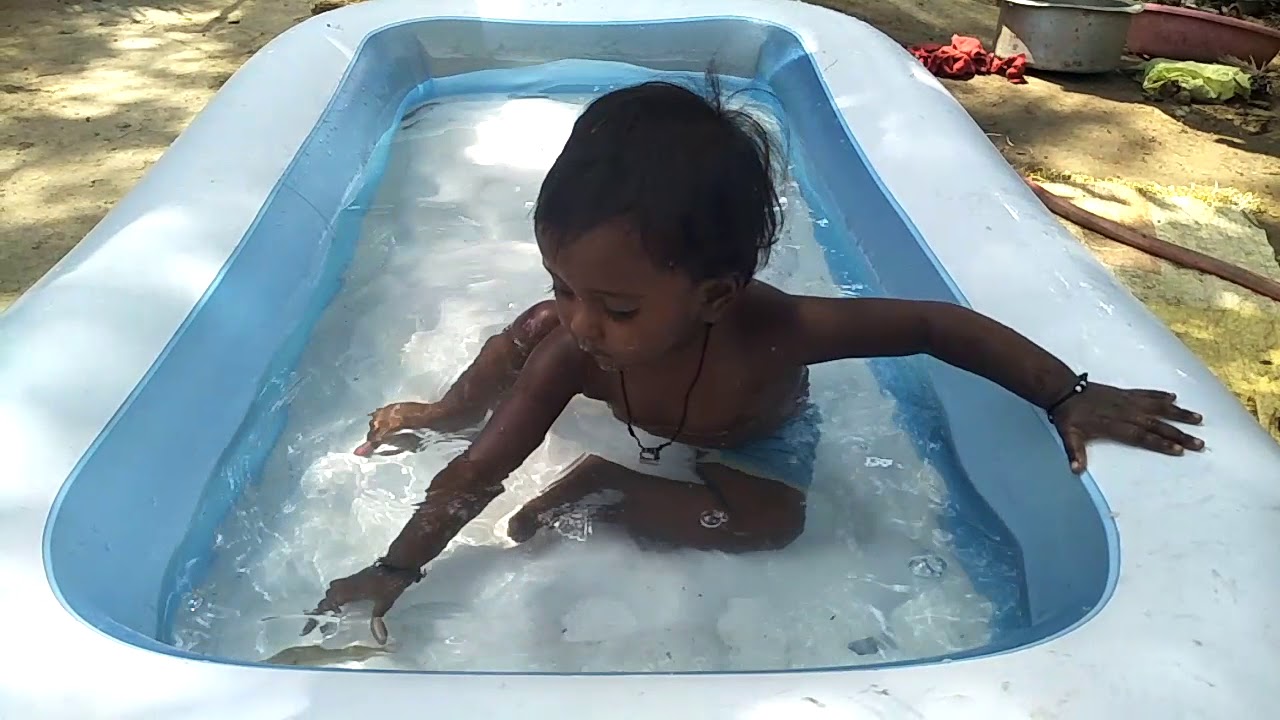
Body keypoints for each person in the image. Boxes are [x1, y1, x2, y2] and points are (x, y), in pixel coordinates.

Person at [302, 79, 1204, 644]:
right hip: (595, 392)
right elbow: (480, 469)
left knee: (771, 524)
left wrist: (1066, 394)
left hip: (749, 436)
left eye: (616, 305)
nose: (586, 321)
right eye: (564, 282)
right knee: (526, 336)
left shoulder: (776, 331)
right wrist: (397, 567)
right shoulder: (574, 350)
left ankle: (598, 485)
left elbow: (934, 326)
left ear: (714, 294)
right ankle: (444, 401)